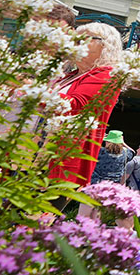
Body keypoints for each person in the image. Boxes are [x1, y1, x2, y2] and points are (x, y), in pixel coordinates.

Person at [48, 23, 126, 188]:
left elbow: (75, 106)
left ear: (105, 46)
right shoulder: (69, 76)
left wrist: (33, 89)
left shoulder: (107, 75)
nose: (76, 42)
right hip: (30, 153)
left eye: (85, 38)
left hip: (61, 161)